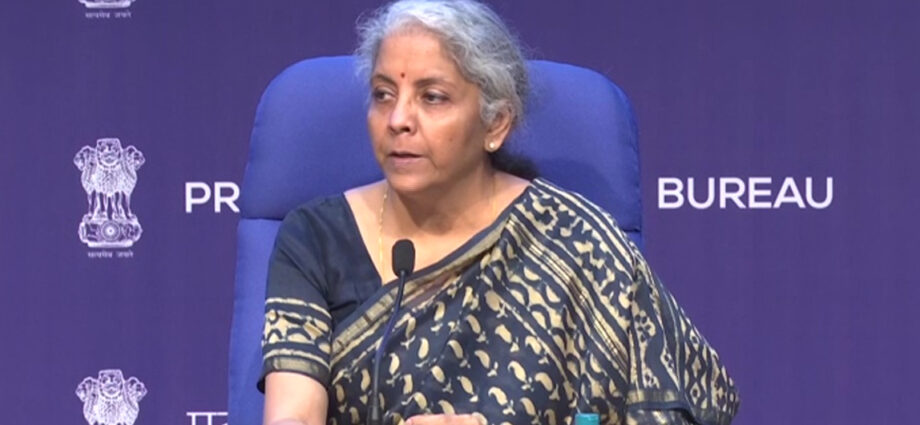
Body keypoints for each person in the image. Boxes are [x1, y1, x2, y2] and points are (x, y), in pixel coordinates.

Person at [258, 1, 740, 424]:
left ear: (496, 123)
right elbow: (292, 414)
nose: (398, 119)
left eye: (432, 97)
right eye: (383, 94)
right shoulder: (315, 238)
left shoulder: (577, 241)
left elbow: (674, 410)